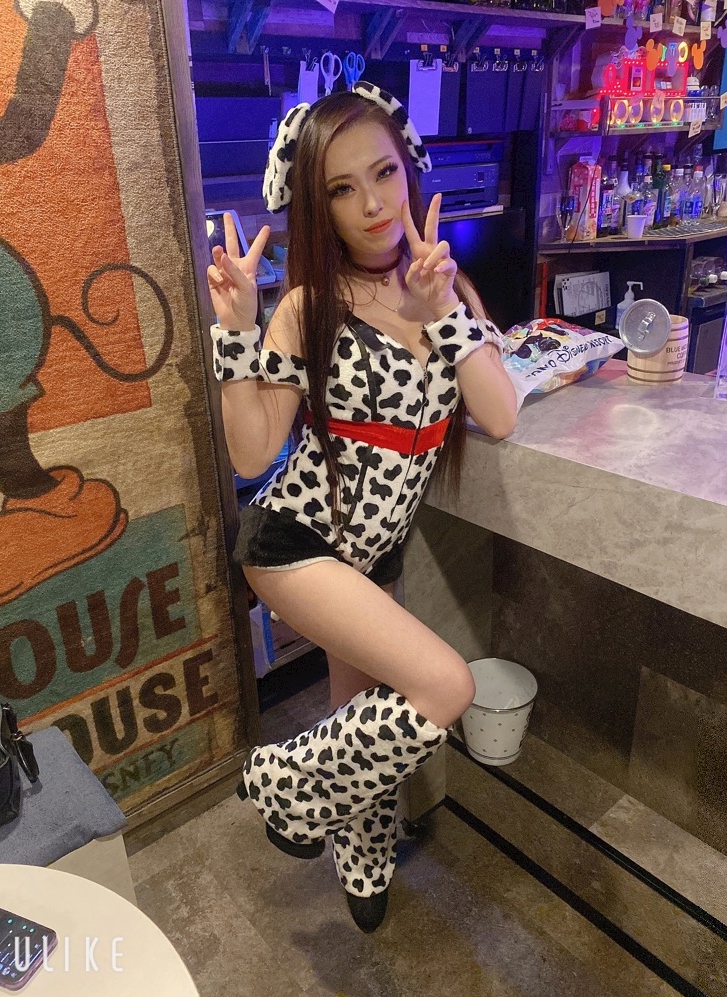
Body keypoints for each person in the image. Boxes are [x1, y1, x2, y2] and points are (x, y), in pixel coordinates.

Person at [207, 81, 517, 933]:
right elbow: (251, 455)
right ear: (321, 206)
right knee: (443, 684)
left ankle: (364, 853)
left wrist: (443, 309)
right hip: (294, 544)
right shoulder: (308, 307)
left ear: (409, 170)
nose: (373, 205)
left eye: (382, 173)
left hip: (372, 562)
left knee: (366, 721)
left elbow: (499, 414)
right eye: (342, 189)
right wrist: (236, 331)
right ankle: (281, 782)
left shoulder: (450, 292)